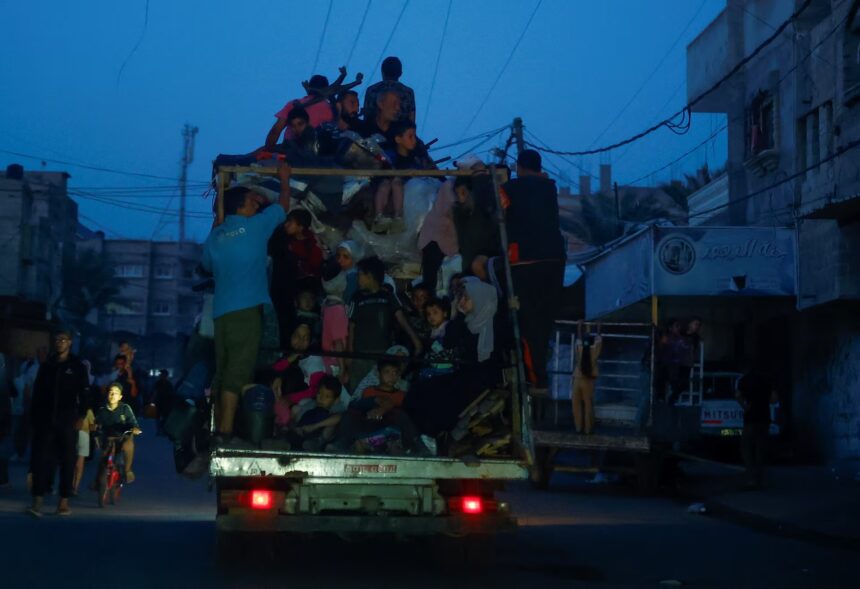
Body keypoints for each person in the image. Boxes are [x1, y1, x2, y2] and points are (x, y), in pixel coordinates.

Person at [201, 163, 292, 440]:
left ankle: (217, 426)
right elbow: (283, 206)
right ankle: (225, 431)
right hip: (246, 311)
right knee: (238, 371)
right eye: (253, 201)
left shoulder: (215, 237)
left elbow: (206, 265)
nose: (257, 204)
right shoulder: (255, 227)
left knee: (224, 368)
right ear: (242, 207)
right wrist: (284, 180)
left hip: (222, 314)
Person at [499, 150, 566, 392]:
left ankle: (534, 377)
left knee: (526, 321)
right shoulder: (550, 187)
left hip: (524, 260)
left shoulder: (510, 187)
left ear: (518, 166)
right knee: (544, 320)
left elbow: (498, 211)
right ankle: (540, 374)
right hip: (554, 260)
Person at [406, 277, 500, 437]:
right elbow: (450, 341)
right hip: (460, 374)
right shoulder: (466, 322)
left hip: (477, 377)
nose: (462, 301)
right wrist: (461, 315)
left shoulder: (492, 324)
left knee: (434, 392)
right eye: (461, 297)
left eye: (466, 298)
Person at [27, 329, 90, 517]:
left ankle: (63, 501)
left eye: (64, 340)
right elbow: (38, 393)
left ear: (70, 342)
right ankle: (37, 501)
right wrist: (33, 419)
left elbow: (86, 394)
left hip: (68, 420)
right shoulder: (48, 365)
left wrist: (81, 416)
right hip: (46, 420)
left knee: (68, 461)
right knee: (40, 460)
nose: (60, 343)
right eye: (57, 340)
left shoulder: (77, 366)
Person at [347, 257, 422, 393]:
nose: (357, 278)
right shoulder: (356, 298)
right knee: (357, 393)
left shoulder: (388, 297)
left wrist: (416, 342)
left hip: (383, 357)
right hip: (360, 357)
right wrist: (350, 355)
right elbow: (351, 327)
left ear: (369, 276)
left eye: (359, 275)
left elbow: (402, 320)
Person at [333, 358, 426, 455]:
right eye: (387, 372)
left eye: (395, 373)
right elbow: (358, 408)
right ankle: (341, 447)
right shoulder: (369, 391)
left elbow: (404, 416)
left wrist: (385, 409)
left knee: (399, 413)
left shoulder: (402, 395)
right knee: (350, 414)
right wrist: (374, 401)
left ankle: (419, 447)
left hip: (391, 431)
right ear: (378, 374)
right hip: (369, 427)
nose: (392, 376)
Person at [269, 207, 324, 346]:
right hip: (279, 287)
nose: (287, 224)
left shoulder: (311, 245)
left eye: (291, 222)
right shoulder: (281, 238)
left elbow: (315, 267)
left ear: (300, 227)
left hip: (296, 291)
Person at [452, 165, 500, 277]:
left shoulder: (486, 211)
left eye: (463, 193)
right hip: (468, 274)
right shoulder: (459, 214)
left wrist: (479, 176)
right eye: (457, 194)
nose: (460, 199)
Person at [265, 74, 335, 149]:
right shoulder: (332, 108)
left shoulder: (294, 104)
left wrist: (268, 150)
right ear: (327, 89)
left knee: (256, 154)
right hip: (318, 150)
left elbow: (275, 130)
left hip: (290, 148)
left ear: (309, 88)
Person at [735, 367, 777, 488]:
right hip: (764, 418)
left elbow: (737, 395)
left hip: (750, 419)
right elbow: (774, 399)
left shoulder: (744, 380)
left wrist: (745, 406)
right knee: (761, 448)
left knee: (746, 447)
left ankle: (751, 478)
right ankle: (759, 479)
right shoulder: (768, 380)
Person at [95, 383, 143, 484]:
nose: (112, 395)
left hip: (123, 437)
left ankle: (127, 470)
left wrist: (135, 429)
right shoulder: (102, 409)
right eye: (110, 392)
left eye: (116, 393)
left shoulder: (125, 408)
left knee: (129, 445)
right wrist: (95, 430)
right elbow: (96, 424)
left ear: (120, 396)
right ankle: (97, 481)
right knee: (103, 457)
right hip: (108, 438)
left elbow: (134, 423)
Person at [287, 375, 344, 451]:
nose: (321, 398)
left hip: (319, 436)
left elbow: (339, 417)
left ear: (336, 399)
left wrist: (314, 426)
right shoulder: (310, 404)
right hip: (303, 433)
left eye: (327, 396)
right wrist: (296, 428)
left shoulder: (337, 407)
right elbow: (295, 419)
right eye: (319, 393)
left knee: (332, 424)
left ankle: (317, 443)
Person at [363, 56, 416, 123]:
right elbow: (412, 121)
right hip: (400, 132)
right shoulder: (408, 92)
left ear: (382, 71)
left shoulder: (371, 90)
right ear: (400, 73)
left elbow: (366, 118)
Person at [571, 320, 602, 435]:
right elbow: (598, 340)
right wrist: (598, 328)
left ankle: (578, 427)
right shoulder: (594, 350)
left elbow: (578, 340)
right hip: (589, 379)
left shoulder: (580, 349)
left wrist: (579, 327)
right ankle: (588, 429)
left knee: (576, 404)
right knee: (588, 404)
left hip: (578, 379)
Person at [71, 406, 95, 495]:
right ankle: (75, 487)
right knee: (79, 464)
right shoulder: (88, 411)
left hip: (71, 435)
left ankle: (69, 485)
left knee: (72, 462)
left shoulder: (72, 408)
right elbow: (92, 426)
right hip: (84, 435)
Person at [153, 369, 175, 436]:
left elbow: (171, 394)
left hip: (165, 402)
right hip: (160, 402)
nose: (162, 376)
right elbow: (154, 392)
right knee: (160, 417)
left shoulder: (167, 384)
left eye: (163, 375)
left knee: (163, 417)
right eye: (162, 375)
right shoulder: (160, 383)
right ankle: (160, 430)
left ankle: (161, 429)